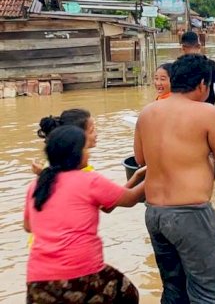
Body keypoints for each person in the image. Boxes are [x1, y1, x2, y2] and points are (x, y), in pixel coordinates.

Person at [135, 54, 215, 303]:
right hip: (190, 214)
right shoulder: (205, 112)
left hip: (155, 213)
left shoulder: (147, 112)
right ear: (202, 84)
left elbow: (140, 159)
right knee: (208, 293)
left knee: (173, 289)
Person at [25, 125, 145, 303]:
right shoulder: (88, 180)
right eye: (84, 149)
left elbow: (28, 227)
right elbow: (130, 199)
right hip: (81, 273)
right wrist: (154, 172)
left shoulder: (37, 185)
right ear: (75, 153)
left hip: (38, 279)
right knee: (128, 294)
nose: (87, 153)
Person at [34, 109, 98, 175]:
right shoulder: (83, 172)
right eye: (91, 131)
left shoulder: (53, 167)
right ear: (76, 135)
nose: (96, 134)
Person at [180, 31, 215, 104]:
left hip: (184, 110)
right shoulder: (211, 64)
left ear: (182, 48)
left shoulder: (177, 67)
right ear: (199, 46)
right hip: (208, 109)